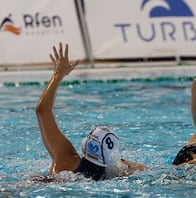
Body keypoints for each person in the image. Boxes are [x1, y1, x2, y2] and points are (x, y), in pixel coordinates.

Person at [36, 42, 146, 181]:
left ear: (85, 145)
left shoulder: (67, 160)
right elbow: (136, 167)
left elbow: (42, 110)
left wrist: (58, 75)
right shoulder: (114, 174)